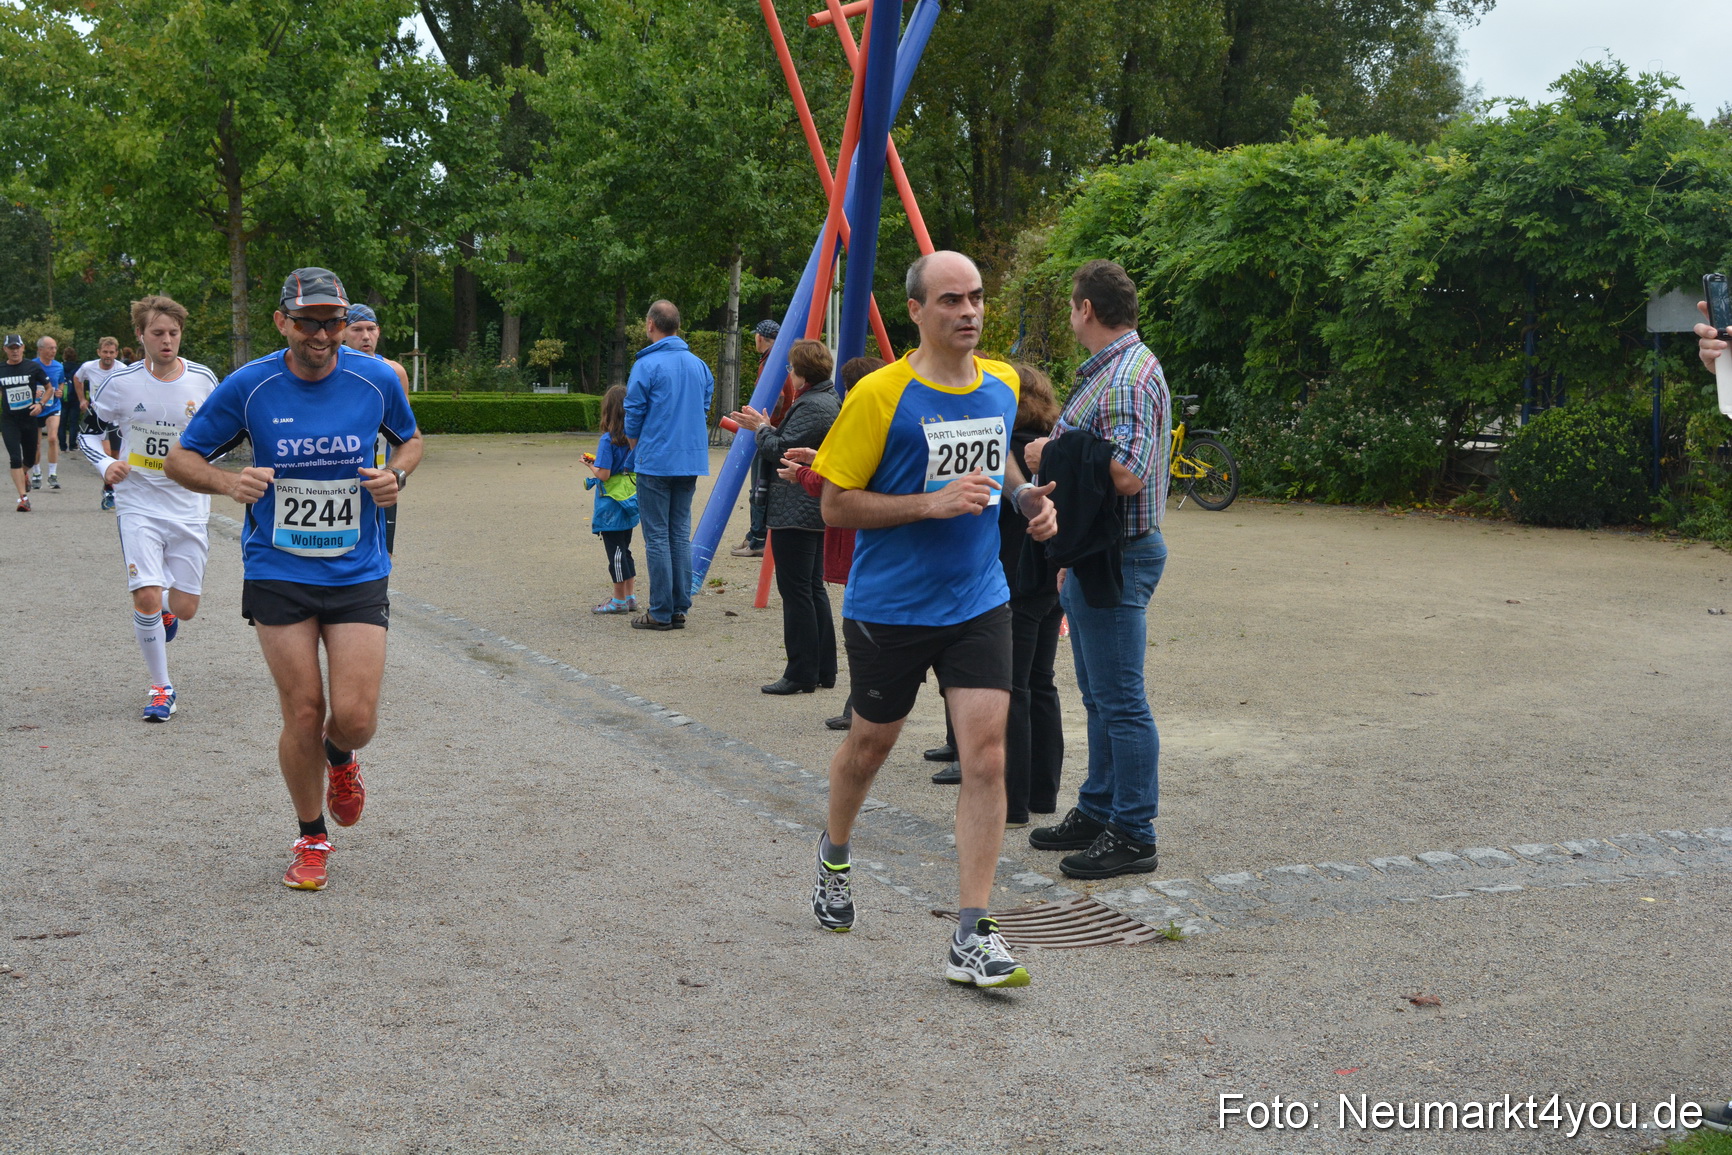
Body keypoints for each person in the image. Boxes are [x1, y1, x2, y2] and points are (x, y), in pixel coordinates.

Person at [806, 250, 1056, 988]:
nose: (969, 312)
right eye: (951, 299)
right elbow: (833, 503)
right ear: (916, 309)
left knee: (985, 757)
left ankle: (973, 932)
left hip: (979, 597)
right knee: (869, 746)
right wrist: (928, 504)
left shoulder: (1004, 382)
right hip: (891, 606)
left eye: (976, 297)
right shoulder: (879, 396)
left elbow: (1001, 459)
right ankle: (835, 851)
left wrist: (1023, 500)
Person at [166, 267, 421, 892]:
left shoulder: (377, 378)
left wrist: (398, 476)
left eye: (333, 322)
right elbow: (180, 457)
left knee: (355, 718)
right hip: (279, 568)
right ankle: (311, 835)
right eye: (309, 321)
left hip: (357, 566)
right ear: (283, 320)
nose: (324, 334)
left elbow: (410, 442)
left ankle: (343, 758)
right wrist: (229, 482)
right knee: (304, 710)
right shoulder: (250, 387)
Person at [1025, 259, 1171, 880]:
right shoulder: (1118, 370)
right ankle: (1099, 808)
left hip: (1119, 556)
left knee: (1121, 701)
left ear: (1086, 308)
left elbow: (1129, 472)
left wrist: (1048, 450)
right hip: (1096, 555)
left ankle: (1134, 832)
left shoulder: (1126, 378)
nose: (1069, 315)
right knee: (1100, 697)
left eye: (1070, 305)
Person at [78, 296, 222, 722]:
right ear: (139, 336)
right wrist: (106, 464)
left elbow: (226, 432)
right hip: (138, 501)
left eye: (173, 333)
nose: (166, 340)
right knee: (144, 595)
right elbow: (88, 435)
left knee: (184, 608)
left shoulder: (203, 380)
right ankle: (162, 687)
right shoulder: (120, 384)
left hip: (189, 503)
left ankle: (165, 614)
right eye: (157, 333)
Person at [728, 338, 840, 694]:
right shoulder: (827, 398)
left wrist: (761, 429)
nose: (789, 373)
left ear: (802, 372)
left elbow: (781, 450)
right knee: (811, 589)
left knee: (796, 592)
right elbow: (790, 442)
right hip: (812, 506)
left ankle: (801, 672)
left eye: (791, 368)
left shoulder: (812, 404)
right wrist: (763, 426)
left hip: (798, 507)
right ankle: (823, 668)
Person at [779, 354, 886, 730]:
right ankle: (848, 694)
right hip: (861, 533)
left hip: (863, 536)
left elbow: (844, 481)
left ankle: (861, 705)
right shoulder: (855, 412)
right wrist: (817, 459)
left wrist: (803, 472)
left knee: (864, 624)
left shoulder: (859, 417)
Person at [623, 299, 713, 631]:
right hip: (689, 460)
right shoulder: (699, 365)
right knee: (679, 534)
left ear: (650, 325)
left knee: (657, 537)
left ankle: (660, 610)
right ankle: (678, 607)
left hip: (656, 461)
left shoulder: (646, 366)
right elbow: (703, 408)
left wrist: (638, 449)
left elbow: (633, 415)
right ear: (677, 326)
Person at [338, 304, 413, 555]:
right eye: (357, 329)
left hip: (379, 477)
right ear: (343, 333)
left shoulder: (393, 372)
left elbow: (404, 432)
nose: (366, 336)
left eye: (371, 329)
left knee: (383, 553)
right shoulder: (328, 371)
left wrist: (394, 472)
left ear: (379, 332)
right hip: (339, 478)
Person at [586, 384, 639, 614]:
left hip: (611, 504)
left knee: (615, 554)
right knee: (625, 550)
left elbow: (604, 474)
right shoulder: (633, 438)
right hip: (629, 498)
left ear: (608, 411)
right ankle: (630, 596)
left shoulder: (607, 440)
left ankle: (618, 601)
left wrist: (590, 466)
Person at [731, 319, 781, 558]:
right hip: (772, 428)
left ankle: (759, 538)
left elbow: (778, 397)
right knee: (761, 484)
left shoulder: (771, 361)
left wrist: (761, 420)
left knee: (760, 485)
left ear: (760, 338)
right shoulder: (778, 357)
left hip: (768, 429)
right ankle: (755, 534)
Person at [74, 337, 127, 510]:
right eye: (105, 352)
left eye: (111, 352)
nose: (108, 356)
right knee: (105, 453)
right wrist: (82, 399)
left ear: (116, 353)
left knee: (115, 455)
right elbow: (77, 378)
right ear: (99, 352)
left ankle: (107, 486)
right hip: (97, 415)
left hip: (117, 417)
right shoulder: (88, 367)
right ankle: (110, 492)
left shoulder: (123, 369)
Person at [2, 334, 48, 512]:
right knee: (14, 458)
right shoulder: (1, 369)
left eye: (17, 347)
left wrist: (41, 404)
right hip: (9, 421)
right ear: (5, 349)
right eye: (11, 348)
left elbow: (49, 388)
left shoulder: (32, 367)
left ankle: (24, 474)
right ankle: (23, 498)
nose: (14, 351)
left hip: (29, 418)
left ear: (22, 348)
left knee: (30, 457)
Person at [30, 335, 65, 491]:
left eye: (55, 347)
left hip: (53, 407)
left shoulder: (58, 366)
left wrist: (60, 392)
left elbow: (61, 382)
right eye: (50, 348)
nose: (54, 351)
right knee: (36, 443)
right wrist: (33, 393)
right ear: (40, 349)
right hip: (37, 408)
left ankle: (53, 474)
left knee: (52, 438)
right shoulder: (32, 365)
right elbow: (26, 384)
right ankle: (37, 474)